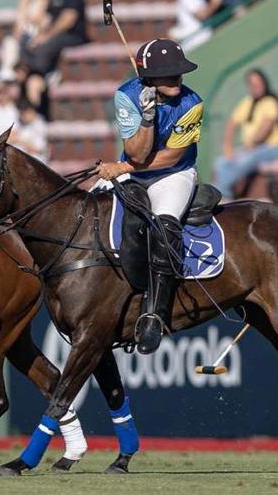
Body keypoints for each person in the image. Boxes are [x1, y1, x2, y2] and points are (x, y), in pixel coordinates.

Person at [92, 38, 204, 354]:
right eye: (168, 75)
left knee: (165, 226)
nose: (177, 80)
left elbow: (169, 157)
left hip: (174, 174)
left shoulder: (192, 103)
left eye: (179, 74)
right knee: (89, 214)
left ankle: (155, 313)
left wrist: (120, 167)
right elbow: (137, 151)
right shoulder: (126, 97)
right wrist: (147, 118)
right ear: (149, 79)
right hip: (133, 167)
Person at [213, 69, 278, 198]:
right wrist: (228, 146)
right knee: (220, 162)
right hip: (251, 148)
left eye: (259, 83)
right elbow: (232, 123)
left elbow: (266, 128)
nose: (256, 87)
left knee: (243, 160)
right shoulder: (247, 102)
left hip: (272, 148)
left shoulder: (270, 101)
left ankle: (220, 195)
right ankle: (222, 193)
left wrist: (251, 144)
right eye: (253, 84)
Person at [23, 0, 88, 78]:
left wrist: (47, 36)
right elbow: (46, 18)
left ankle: (43, 76)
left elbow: (68, 20)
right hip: (54, 34)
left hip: (73, 35)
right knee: (26, 42)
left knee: (46, 46)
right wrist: (39, 35)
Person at [0, 0, 48, 82]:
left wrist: (24, 5)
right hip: (24, 32)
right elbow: (18, 24)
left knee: (27, 42)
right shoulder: (23, 1)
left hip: (37, 30)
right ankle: (7, 70)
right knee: (9, 42)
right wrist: (23, 5)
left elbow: (38, 19)